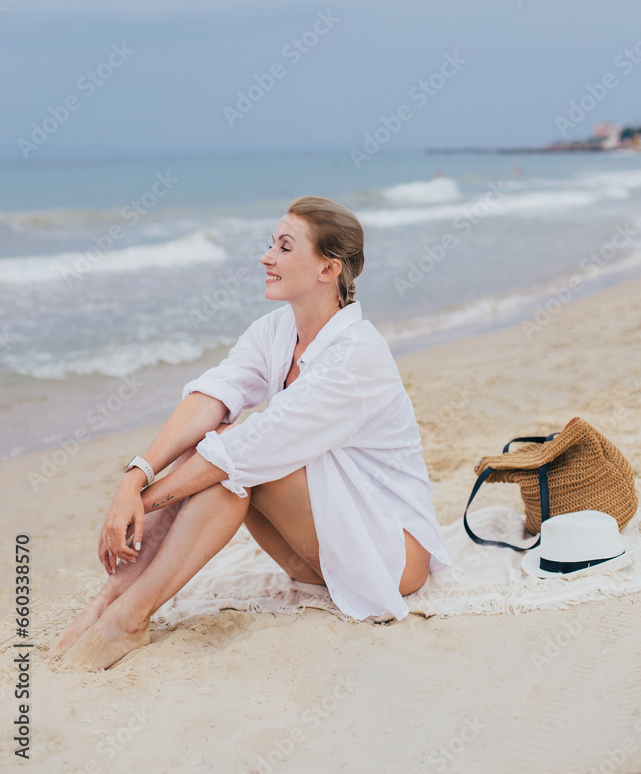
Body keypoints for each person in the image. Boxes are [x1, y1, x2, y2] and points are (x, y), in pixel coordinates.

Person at [51, 195, 450, 671]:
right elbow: (211, 398)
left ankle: (129, 618)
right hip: (318, 556)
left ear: (328, 269)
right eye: (270, 244)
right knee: (219, 440)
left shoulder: (356, 354)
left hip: (389, 557)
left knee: (231, 465)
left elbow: (247, 450)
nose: (266, 258)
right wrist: (133, 479)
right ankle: (107, 605)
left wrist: (144, 502)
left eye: (284, 247)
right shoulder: (275, 330)